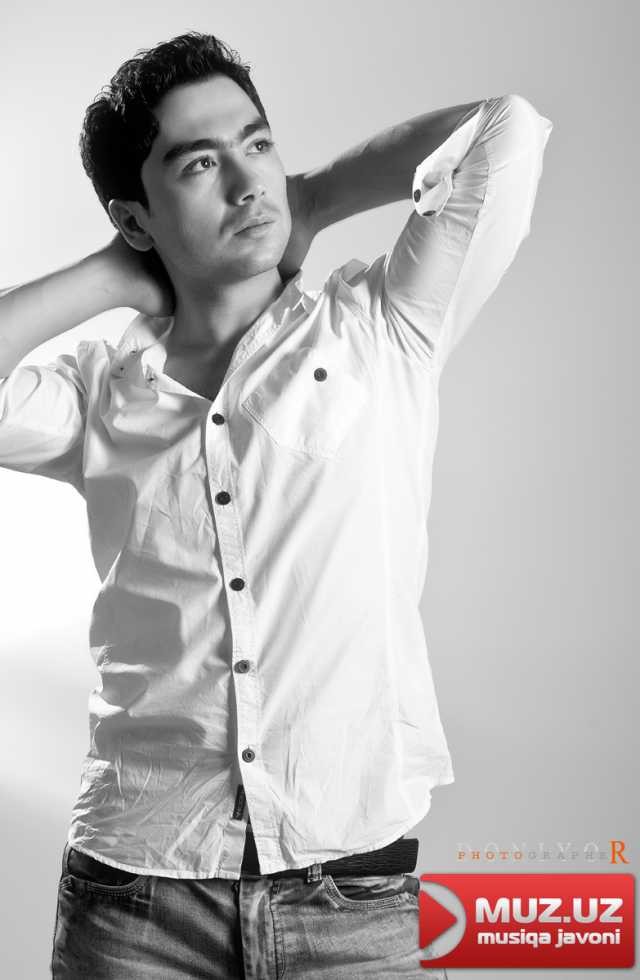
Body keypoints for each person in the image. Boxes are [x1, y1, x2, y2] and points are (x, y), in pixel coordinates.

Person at [0, 30, 552, 980]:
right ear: (134, 215)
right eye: (200, 164)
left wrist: (317, 198)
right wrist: (112, 273)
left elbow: (506, 132)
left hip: (351, 891)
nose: (247, 183)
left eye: (257, 144)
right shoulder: (98, 389)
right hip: (137, 893)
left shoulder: (382, 323)